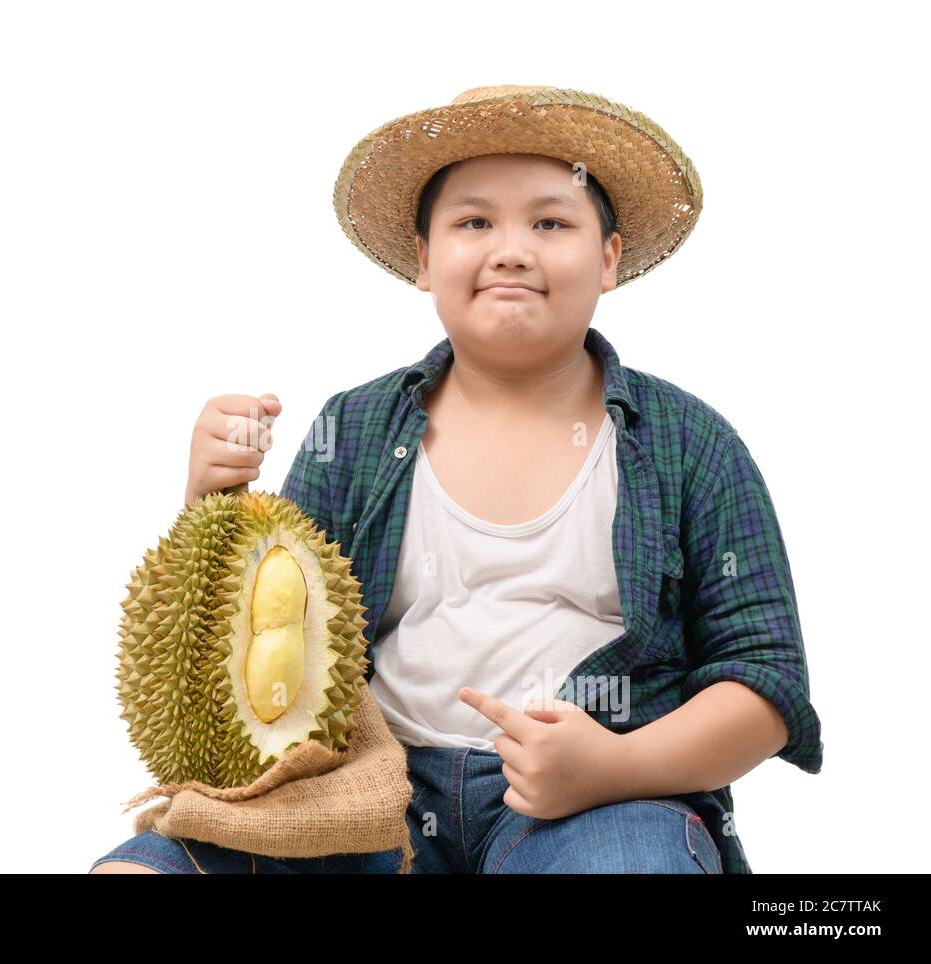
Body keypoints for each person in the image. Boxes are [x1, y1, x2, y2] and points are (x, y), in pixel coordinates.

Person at [91, 85, 820, 874]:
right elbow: (263, 636)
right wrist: (210, 501)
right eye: (474, 222)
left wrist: (614, 768)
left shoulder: (689, 444)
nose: (511, 249)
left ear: (608, 258)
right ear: (423, 260)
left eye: (550, 221)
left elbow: (765, 682)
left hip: (604, 799)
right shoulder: (357, 430)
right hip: (368, 794)